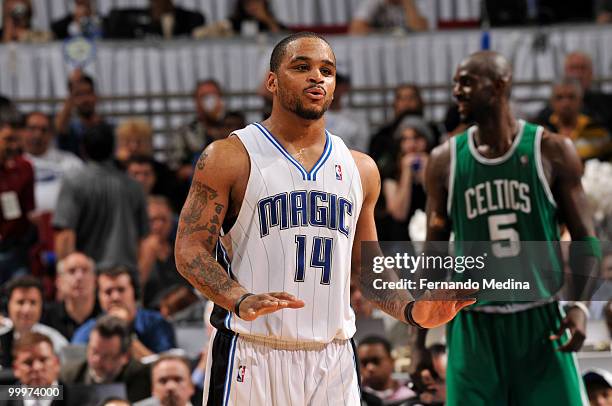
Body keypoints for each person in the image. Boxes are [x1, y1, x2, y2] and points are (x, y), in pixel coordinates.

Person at [174, 31, 473, 405]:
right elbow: (189, 249)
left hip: (333, 357)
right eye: (302, 67)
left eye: (327, 71)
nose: (317, 77)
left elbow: (368, 268)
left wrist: (412, 310)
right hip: (252, 350)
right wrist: (239, 297)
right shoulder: (228, 157)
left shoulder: (360, 169)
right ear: (272, 81)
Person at [426, 50, 598, 405]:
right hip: (472, 325)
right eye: (456, 83)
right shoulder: (444, 160)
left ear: (500, 84)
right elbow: (433, 257)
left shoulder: (551, 150)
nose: (457, 91)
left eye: (467, 82)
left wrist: (579, 306)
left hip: (540, 319)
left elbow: (585, 238)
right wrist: (421, 341)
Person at [53, 123, 149, 271]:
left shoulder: (73, 183)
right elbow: (144, 240)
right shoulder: (135, 187)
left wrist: (66, 276)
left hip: (87, 276)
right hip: (125, 277)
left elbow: (65, 235)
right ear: (113, 150)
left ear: (83, 149)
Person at [71, 266, 176, 359]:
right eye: (108, 292)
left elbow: (165, 367)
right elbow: (75, 367)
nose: (115, 297)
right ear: (99, 297)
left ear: (134, 292)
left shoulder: (156, 322)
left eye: (121, 290)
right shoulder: (87, 330)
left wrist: (124, 332)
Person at [61, 315, 151, 403]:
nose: (97, 360)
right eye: (94, 351)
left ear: (125, 357)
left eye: (106, 356)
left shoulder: (142, 377)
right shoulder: (68, 376)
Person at [0, 100, 36, 284]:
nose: (13, 146)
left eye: (16, 140)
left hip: (16, 249)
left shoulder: (25, 167)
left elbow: (28, 209)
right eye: (8, 140)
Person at [0, 276, 68, 369]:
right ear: (8, 305)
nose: (27, 310)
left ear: (41, 306)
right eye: (20, 302)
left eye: (33, 302)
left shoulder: (55, 340)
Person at [22, 111, 83, 214]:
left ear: (51, 134)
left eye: (44, 130)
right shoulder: (12, 165)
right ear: (22, 132)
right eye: (32, 129)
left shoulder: (70, 162)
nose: (38, 135)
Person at [538, 78, 612, 161]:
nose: (565, 103)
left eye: (571, 97)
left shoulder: (597, 130)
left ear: (580, 101)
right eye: (559, 97)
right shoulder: (542, 132)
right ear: (552, 102)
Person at [42, 252, 102, 340]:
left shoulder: (106, 314)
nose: (79, 277)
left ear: (95, 280)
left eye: (85, 270)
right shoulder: (47, 318)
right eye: (72, 271)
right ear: (59, 282)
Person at [5, 332, 64, 406]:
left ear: (56, 363)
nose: (37, 367)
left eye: (43, 360)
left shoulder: (80, 400)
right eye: (28, 362)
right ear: (16, 368)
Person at [357, 336, 416, 403]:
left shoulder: (411, 394)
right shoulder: (355, 399)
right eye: (364, 362)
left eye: (376, 361)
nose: (370, 368)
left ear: (391, 361)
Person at [349, 0, 428, 34]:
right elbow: (356, 30)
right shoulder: (372, 1)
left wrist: (408, 3)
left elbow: (421, 29)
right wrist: (389, 33)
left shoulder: (417, 2)